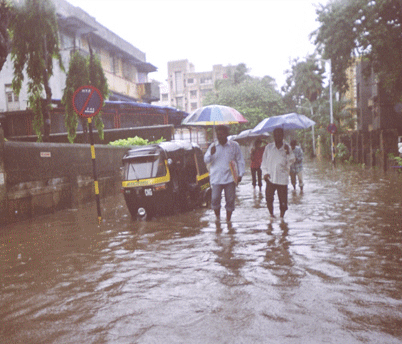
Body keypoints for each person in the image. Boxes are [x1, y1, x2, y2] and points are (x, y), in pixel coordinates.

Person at [204, 125, 245, 221]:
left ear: (226, 134)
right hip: (216, 178)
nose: (219, 136)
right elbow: (206, 160)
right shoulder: (213, 146)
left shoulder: (234, 146)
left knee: (230, 201)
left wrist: (240, 174)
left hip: (230, 178)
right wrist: (211, 153)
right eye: (218, 134)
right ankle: (218, 219)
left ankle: (228, 220)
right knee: (214, 199)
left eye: (221, 134)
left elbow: (240, 160)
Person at [261, 128, 295, 219]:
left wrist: (287, 153)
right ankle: (271, 215)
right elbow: (263, 162)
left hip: (282, 179)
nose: (277, 137)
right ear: (273, 136)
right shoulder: (268, 147)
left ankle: (281, 218)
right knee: (268, 199)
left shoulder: (287, 147)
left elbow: (291, 161)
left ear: (282, 136)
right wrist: (265, 173)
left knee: (283, 202)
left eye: (279, 135)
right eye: (275, 135)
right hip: (270, 178)